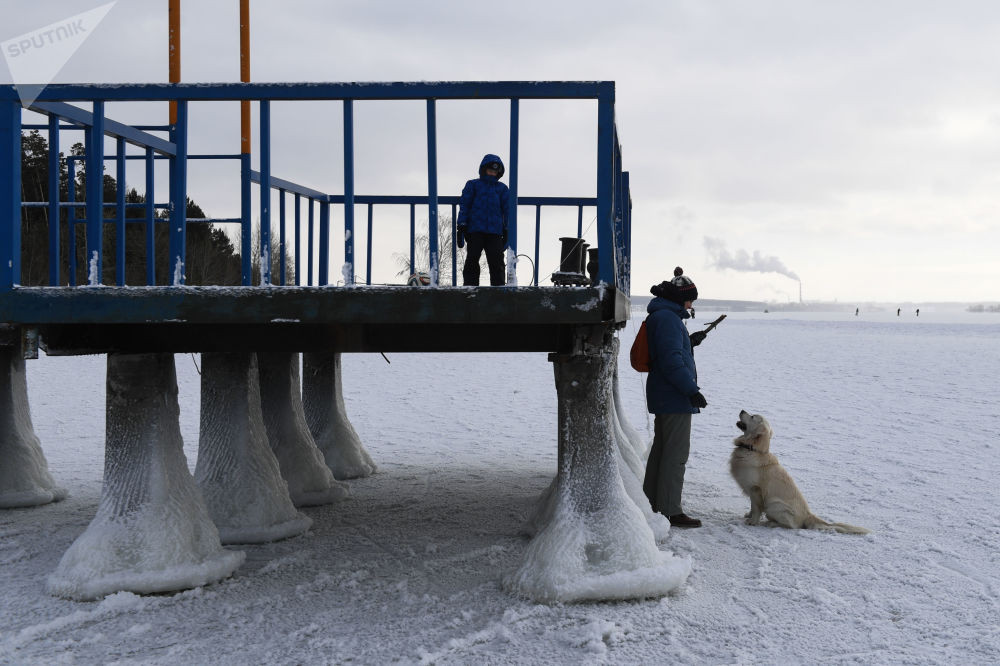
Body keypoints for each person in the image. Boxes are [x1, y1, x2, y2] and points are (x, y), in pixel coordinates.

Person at [642, 267, 707, 528]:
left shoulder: (664, 316)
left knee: (662, 451)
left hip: (665, 393)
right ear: (681, 299)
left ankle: (651, 503)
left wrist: (689, 341)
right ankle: (670, 509)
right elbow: (671, 362)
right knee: (675, 454)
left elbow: (668, 351)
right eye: (690, 299)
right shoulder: (668, 319)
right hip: (674, 395)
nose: (692, 304)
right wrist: (692, 391)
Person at [456, 154, 510, 286]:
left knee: (497, 261)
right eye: (490, 170)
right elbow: (465, 205)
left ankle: (498, 291)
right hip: (475, 230)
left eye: (495, 171)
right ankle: (470, 289)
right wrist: (462, 225)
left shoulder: (502, 189)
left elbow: (508, 210)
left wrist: (507, 229)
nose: (492, 173)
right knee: (472, 259)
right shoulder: (473, 185)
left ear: (499, 172)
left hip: (495, 232)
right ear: (483, 169)